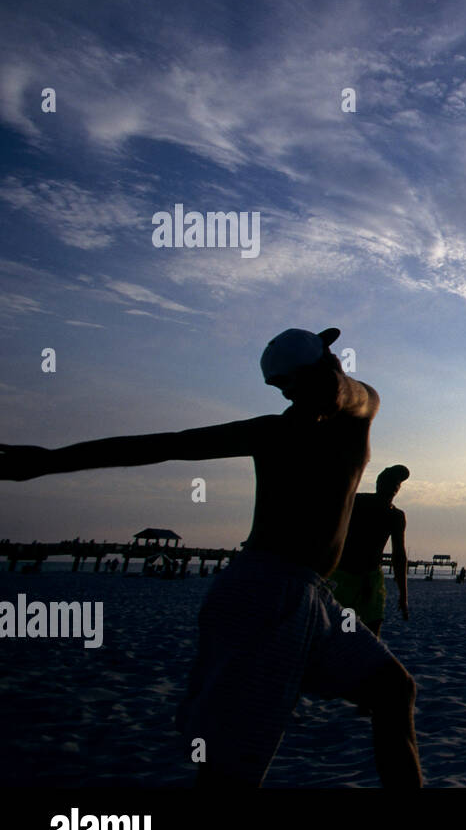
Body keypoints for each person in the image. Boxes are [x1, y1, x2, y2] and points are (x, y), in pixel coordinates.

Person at [1, 327, 422, 788]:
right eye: (282, 388)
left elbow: (353, 395)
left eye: (296, 384)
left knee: (393, 690)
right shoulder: (275, 431)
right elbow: (163, 445)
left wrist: (333, 386)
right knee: (230, 767)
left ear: (326, 367)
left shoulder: (356, 415)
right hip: (260, 592)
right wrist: (47, 461)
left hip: (312, 597)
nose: (288, 395)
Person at [332, 465, 409, 638]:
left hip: (372, 581)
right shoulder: (356, 502)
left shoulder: (395, 515)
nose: (395, 486)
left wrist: (403, 595)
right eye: (391, 481)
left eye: (398, 483)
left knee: (373, 631)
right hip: (346, 581)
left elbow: (399, 557)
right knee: (348, 631)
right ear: (379, 483)